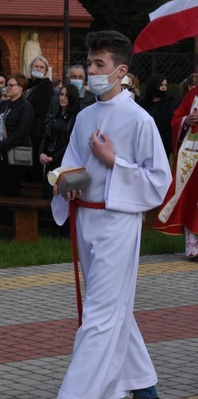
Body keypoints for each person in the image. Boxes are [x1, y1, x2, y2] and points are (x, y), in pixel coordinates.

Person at [52, 30, 171, 399]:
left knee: (100, 316)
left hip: (117, 222)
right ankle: (143, 386)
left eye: (98, 65)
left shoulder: (139, 120)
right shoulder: (86, 116)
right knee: (113, 307)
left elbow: (158, 181)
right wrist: (67, 183)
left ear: (121, 71)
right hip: (86, 217)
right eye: (89, 63)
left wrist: (113, 161)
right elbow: (70, 164)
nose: (90, 71)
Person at [154, 85, 198, 260]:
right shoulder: (194, 93)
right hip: (192, 155)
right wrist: (186, 120)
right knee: (191, 199)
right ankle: (194, 249)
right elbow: (176, 119)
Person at [0, 74, 33, 199]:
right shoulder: (4, 105)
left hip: (15, 159)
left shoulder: (25, 107)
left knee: (11, 194)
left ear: (21, 87)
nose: (8, 88)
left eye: (11, 85)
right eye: (8, 85)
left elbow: (21, 133)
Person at [39, 84, 79, 199]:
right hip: (50, 160)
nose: (62, 98)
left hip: (63, 162)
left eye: (66, 96)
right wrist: (41, 152)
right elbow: (46, 136)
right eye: (61, 94)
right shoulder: (56, 116)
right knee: (48, 195)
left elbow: (71, 143)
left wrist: (54, 157)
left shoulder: (75, 118)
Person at [25, 55, 54, 183]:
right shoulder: (28, 85)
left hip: (36, 129)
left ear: (46, 70)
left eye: (42, 67)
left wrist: (23, 114)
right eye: (36, 66)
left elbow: (40, 108)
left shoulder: (46, 85)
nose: (38, 69)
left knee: (34, 164)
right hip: (26, 129)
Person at [140, 75, 176, 156]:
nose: (163, 88)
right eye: (161, 85)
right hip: (145, 137)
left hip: (162, 138)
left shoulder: (169, 102)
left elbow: (168, 121)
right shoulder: (143, 102)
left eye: (165, 85)